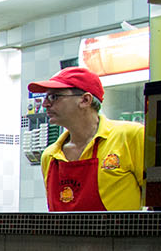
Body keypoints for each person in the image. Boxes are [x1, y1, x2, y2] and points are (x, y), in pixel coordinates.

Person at [32, 66, 144, 211]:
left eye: (54, 97)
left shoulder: (131, 136)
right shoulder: (50, 156)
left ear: (85, 100)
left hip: (120, 234)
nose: (45, 104)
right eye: (46, 98)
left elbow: (158, 202)